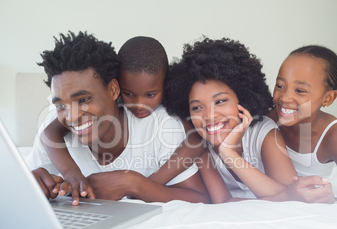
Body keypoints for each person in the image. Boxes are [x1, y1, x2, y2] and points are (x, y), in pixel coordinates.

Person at [27, 31, 209, 204]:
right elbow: (46, 138)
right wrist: (32, 183)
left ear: (114, 90)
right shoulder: (55, 123)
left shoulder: (162, 125)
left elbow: (199, 196)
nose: (72, 116)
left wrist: (133, 184)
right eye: (60, 105)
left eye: (84, 99)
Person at [163, 37, 334, 203]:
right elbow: (223, 200)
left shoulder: (264, 133)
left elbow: (290, 195)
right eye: (197, 107)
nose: (209, 116)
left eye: (220, 101)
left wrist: (229, 153)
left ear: (243, 100)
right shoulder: (201, 145)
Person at [268, 45, 337, 198]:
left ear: (328, 98)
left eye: (300, 90)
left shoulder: (332, 136)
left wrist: (323, 199)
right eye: (280, 86)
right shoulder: (268, 118)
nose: (284, 98)